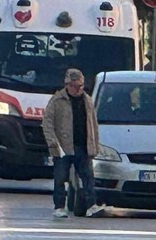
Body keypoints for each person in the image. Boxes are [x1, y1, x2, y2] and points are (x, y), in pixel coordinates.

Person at [42, 68, 104, 218]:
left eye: (81, 86)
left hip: (83, 145)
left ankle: (91, 205)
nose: (78, 89)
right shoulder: (57, 100)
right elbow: (47, 123)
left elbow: (93, 123)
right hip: (63, 147)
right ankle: (59, 207)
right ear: (67, 85)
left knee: (88, 176)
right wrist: (52, 143)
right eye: (75, 86)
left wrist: (95, 145)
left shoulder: (87, 100)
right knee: (60, 177)